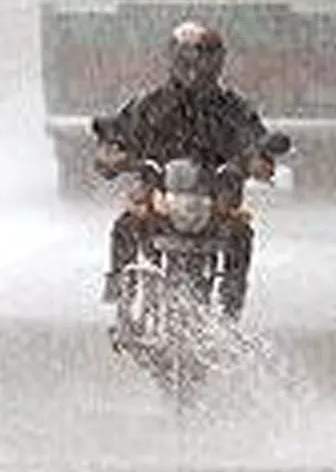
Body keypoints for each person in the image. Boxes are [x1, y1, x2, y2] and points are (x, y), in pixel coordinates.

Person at [94, 21, 274, 320]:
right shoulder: (149, 104)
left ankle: (231, 302)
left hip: (214, 199)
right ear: (173, 61)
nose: (195, 71)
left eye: (204, 61)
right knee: (128, 223)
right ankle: (121, 290)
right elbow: (117, 133)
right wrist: (112, 155)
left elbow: (256, 139)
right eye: (187, 61)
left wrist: (257, 160)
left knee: (239, 232)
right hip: (161, 197)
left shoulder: (233, 108)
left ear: (218, 63)